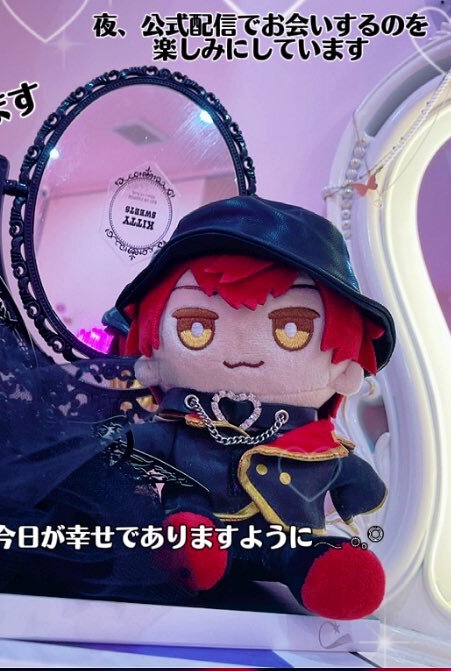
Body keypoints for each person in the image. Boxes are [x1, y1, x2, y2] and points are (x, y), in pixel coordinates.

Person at [110, 194, 395, 620]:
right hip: (200, 530)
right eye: (195, 327)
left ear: (345, 369)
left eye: (293, 329)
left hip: (288, 540)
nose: (243, 354)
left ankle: (321, 569)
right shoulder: (180, 426)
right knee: (188, 530)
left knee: (312, 554)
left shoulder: (320, 446)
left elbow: (353, 478)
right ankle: (189, 547)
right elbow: (135, 445)